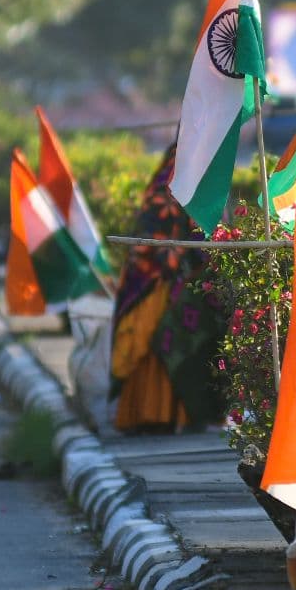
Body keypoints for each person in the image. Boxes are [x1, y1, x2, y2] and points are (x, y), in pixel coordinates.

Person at [109, 143, 222, 434]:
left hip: (186, 284)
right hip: (155, 284)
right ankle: (150, 413)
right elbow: (150, 239)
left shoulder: (199, 189)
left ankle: (182, 415)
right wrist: (172, 260)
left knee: (188, 345)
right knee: (152, 340)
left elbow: (205, 234)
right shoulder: (162, 194)